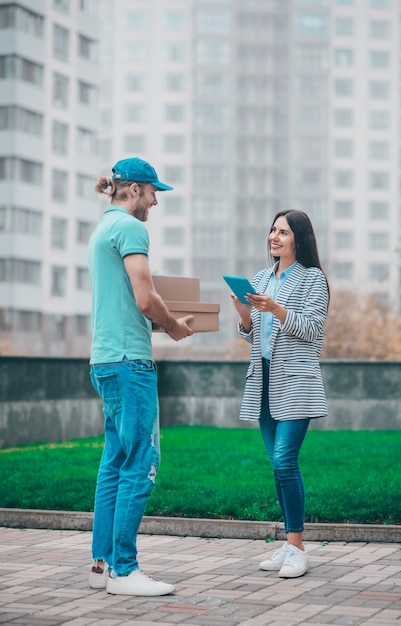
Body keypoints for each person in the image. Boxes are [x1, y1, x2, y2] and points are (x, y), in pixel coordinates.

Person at [87, 157, 194, 596]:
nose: (155, 201)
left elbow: (130, 304)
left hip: (105, 361)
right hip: (131, 364)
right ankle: (126, 571)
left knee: (114, 461)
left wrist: (160, 318)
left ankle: (102, 566)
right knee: (142, 462)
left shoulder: (101, 228)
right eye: (153, 192)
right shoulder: (131, 228)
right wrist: (174, 327)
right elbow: (146, 298)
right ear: (132, 189)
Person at [231, 209, 329, 578]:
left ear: (298, 239)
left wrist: (276, 308)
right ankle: (288, 545)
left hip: (297, 380)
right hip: (264, 379)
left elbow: (312, 329)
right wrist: (244, 314)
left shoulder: (312, 279)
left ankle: (298, 549)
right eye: (272, 230)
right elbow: (254, 335)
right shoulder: (259, 278)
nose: (274, 237)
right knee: (277, 464)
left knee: (285, 460)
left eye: (283, 232)